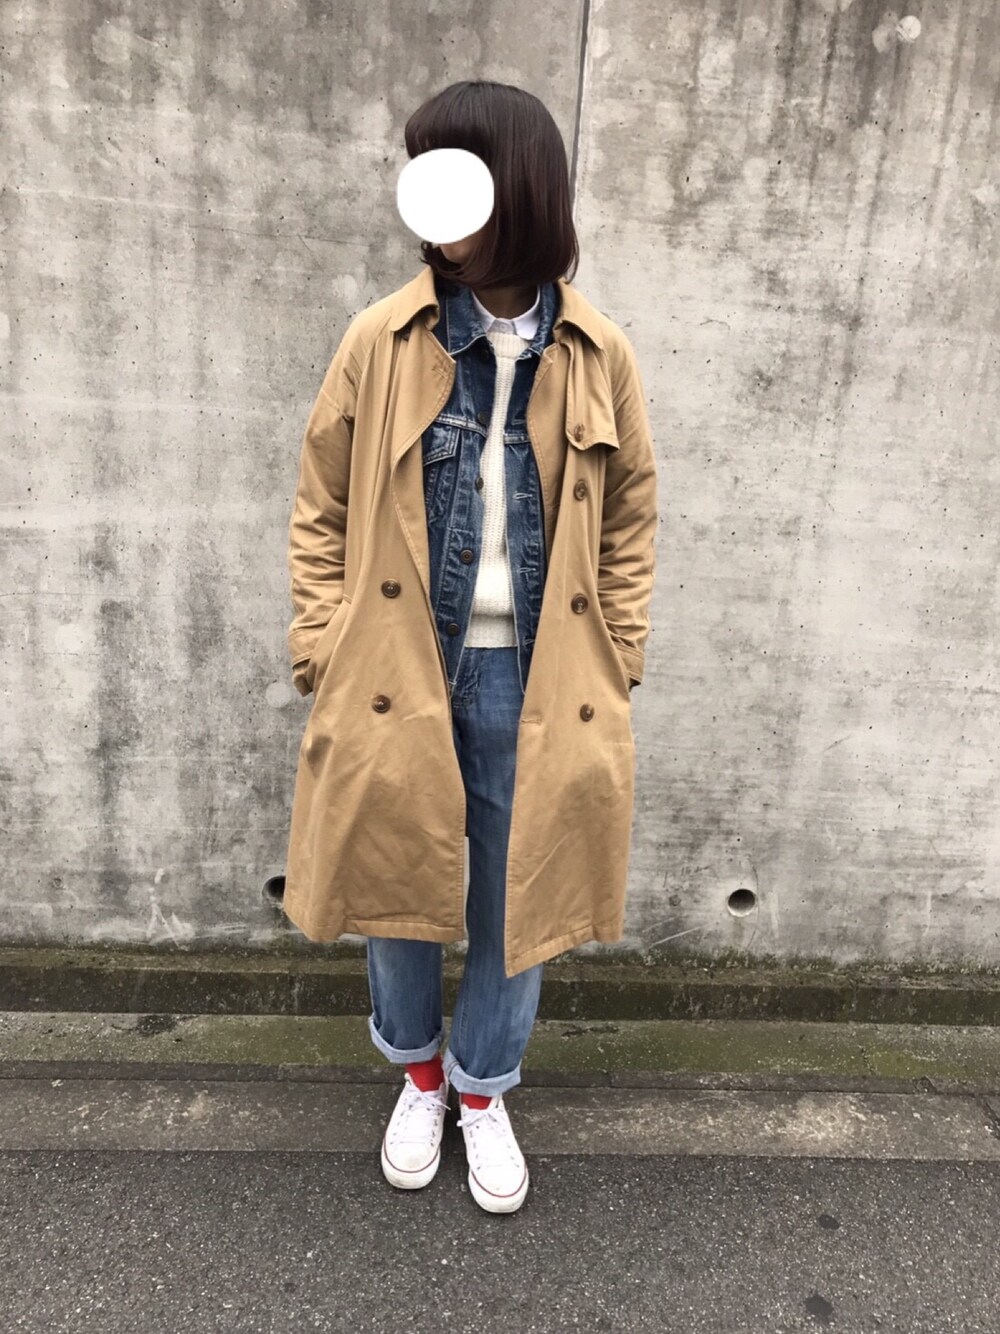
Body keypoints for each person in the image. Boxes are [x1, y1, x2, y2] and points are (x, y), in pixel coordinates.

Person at [284, 80, 658, 1215]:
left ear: (519, 189)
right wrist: (322, 641)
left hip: (533, 675)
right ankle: (419, 1077)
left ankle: (483, 1090)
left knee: (514, 897)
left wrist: (619, 655)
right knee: (395, 885)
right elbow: (321, 503)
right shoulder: (381, 339)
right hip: (394, 664)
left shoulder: (597, 353)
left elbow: (631, 516)